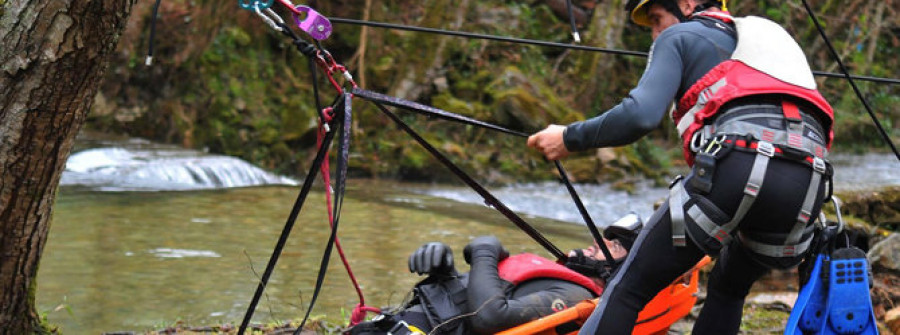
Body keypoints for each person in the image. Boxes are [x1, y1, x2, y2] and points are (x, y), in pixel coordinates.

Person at [527, 0, 834, 334]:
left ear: (687, 3)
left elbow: (639, 115)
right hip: (808, 181)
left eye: (657, 19)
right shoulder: (761, 45)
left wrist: (569, 137)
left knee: (628, 288)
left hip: (739, 162)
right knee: (730, 287)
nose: (656, 33)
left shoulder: (679, 37)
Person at [348, 215, 642, 335]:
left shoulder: (576, 296)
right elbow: (470, 308)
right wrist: (445, 273)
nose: (596, 244)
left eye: (614, 246)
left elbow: (489, 316)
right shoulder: (560, 281)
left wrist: (485, 251)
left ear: (619, 270)